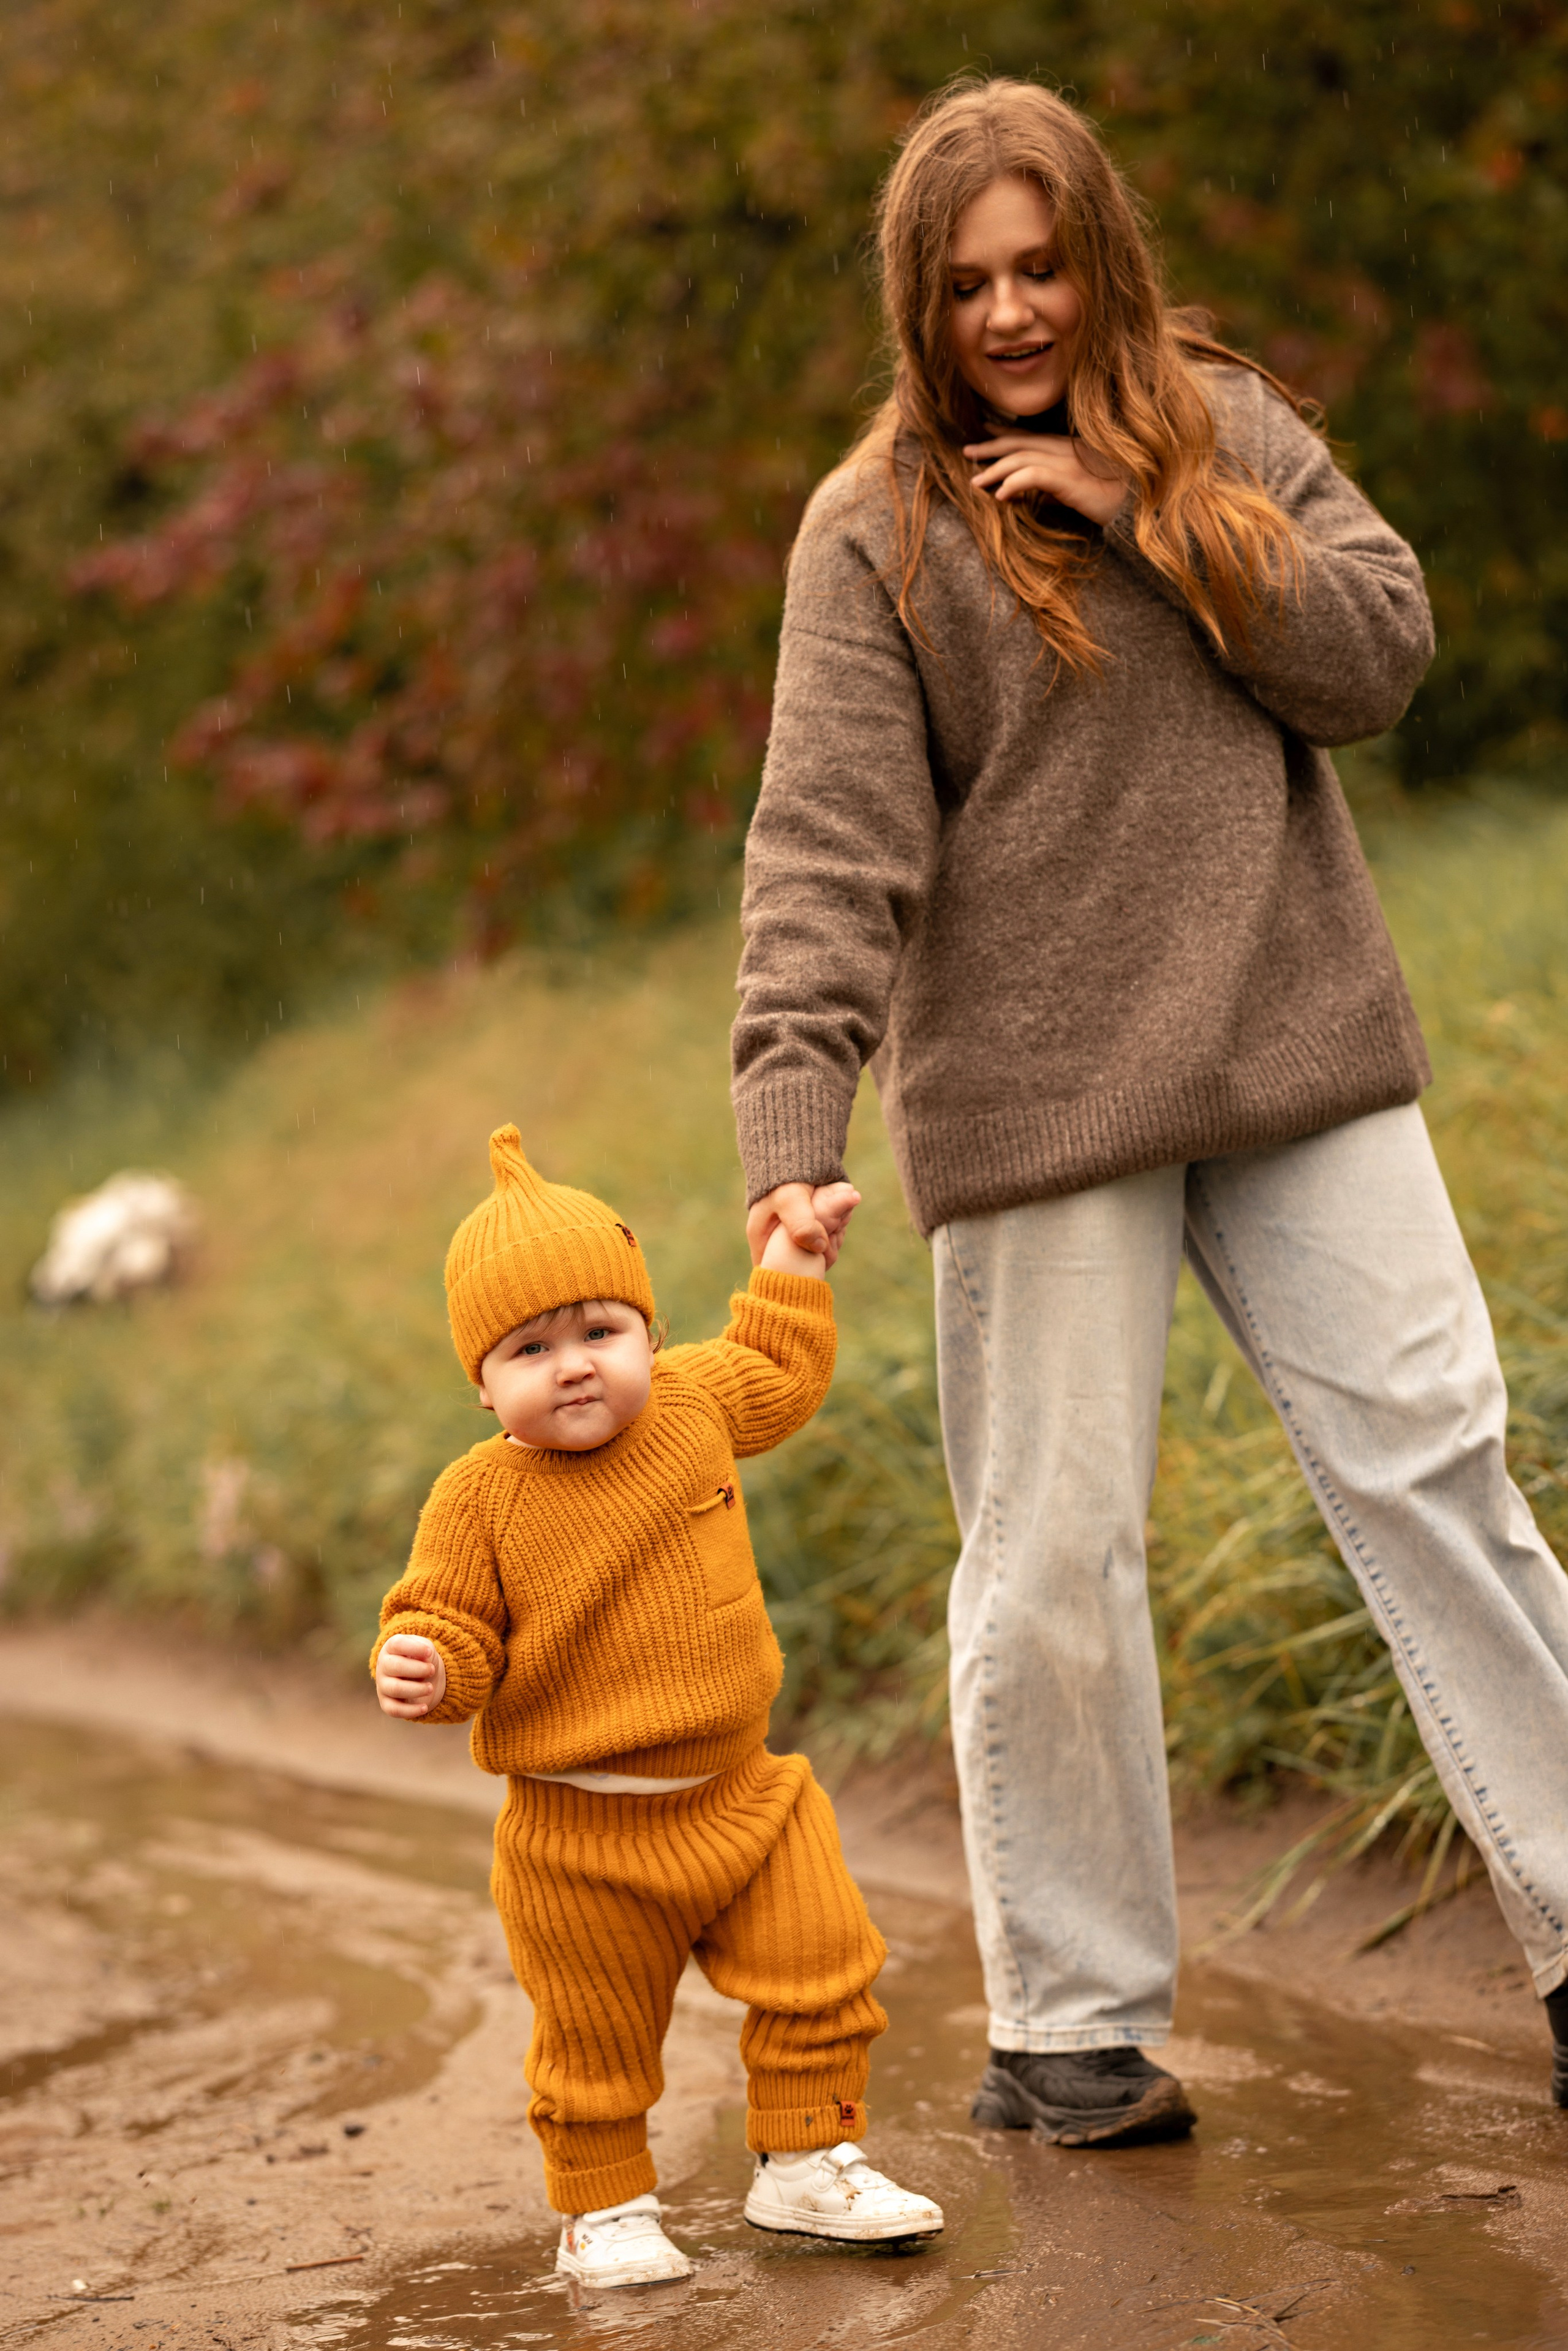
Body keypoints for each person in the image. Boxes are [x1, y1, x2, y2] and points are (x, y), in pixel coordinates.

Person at [733, 74, 1568, 2146]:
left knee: (1437, 1459)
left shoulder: (1228, 423)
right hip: (1038, 1096)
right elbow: (826, 843)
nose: (1012, 312)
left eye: (1043, 265)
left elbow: (1379, 651)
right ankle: (1070, 2019)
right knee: (1055, 1555)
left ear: (1099, 251)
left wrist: (1154, 510)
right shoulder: (875, 532)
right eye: (968, 285)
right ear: (914, 305)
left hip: (1297, 1044)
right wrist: (795, 1126)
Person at [371, 1126, 943, 2290]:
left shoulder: (689, 1407)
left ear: (650, 1334)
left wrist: (793, 1260)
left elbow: (777, 1369)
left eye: (601, 1330)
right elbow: (451, 1620)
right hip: (581, 1840)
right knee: (594, 2039)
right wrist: (427, 1661)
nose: (576, 1363)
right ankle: (608, 2207)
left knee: (824, 1967)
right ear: (482, 1386)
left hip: (745, 1795)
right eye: (532, 1348)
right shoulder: (478, 1496)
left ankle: (807, 2156)